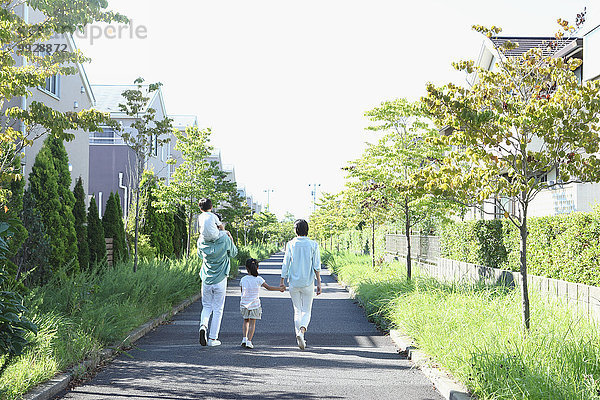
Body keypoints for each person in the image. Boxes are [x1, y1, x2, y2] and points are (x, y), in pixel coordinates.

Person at [197, 208, 238, 347]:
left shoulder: (201, 240)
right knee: (218, 308)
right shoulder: (225, 238)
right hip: (220, 279)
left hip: (206, 278)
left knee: (206, 306)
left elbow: (199, 255)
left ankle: (203, 325)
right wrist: (230, 238)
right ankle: (213, 339)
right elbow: (234, 253)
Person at [280, 219, 321, 350]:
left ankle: (299, 334)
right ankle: (302, 331)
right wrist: (319, 282)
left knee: (297, 310)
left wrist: (282, 280)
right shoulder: (313, 245)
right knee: (307, 310)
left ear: (295, 230)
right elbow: (316, 265)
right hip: (308, 282)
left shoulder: (290, 244)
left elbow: (286, 263)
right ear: (307, 229)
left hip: (293, 282)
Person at [240, 258, 285, 349]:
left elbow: (242, 292)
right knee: (252, 322)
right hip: (254, 304)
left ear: (246, 268)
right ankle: (249, 341)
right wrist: (279, 289)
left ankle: (244, 339)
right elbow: (268, 288)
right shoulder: (259, 279)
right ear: (257, 268)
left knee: (246, 321)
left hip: (244, 304)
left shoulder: (243, 279)